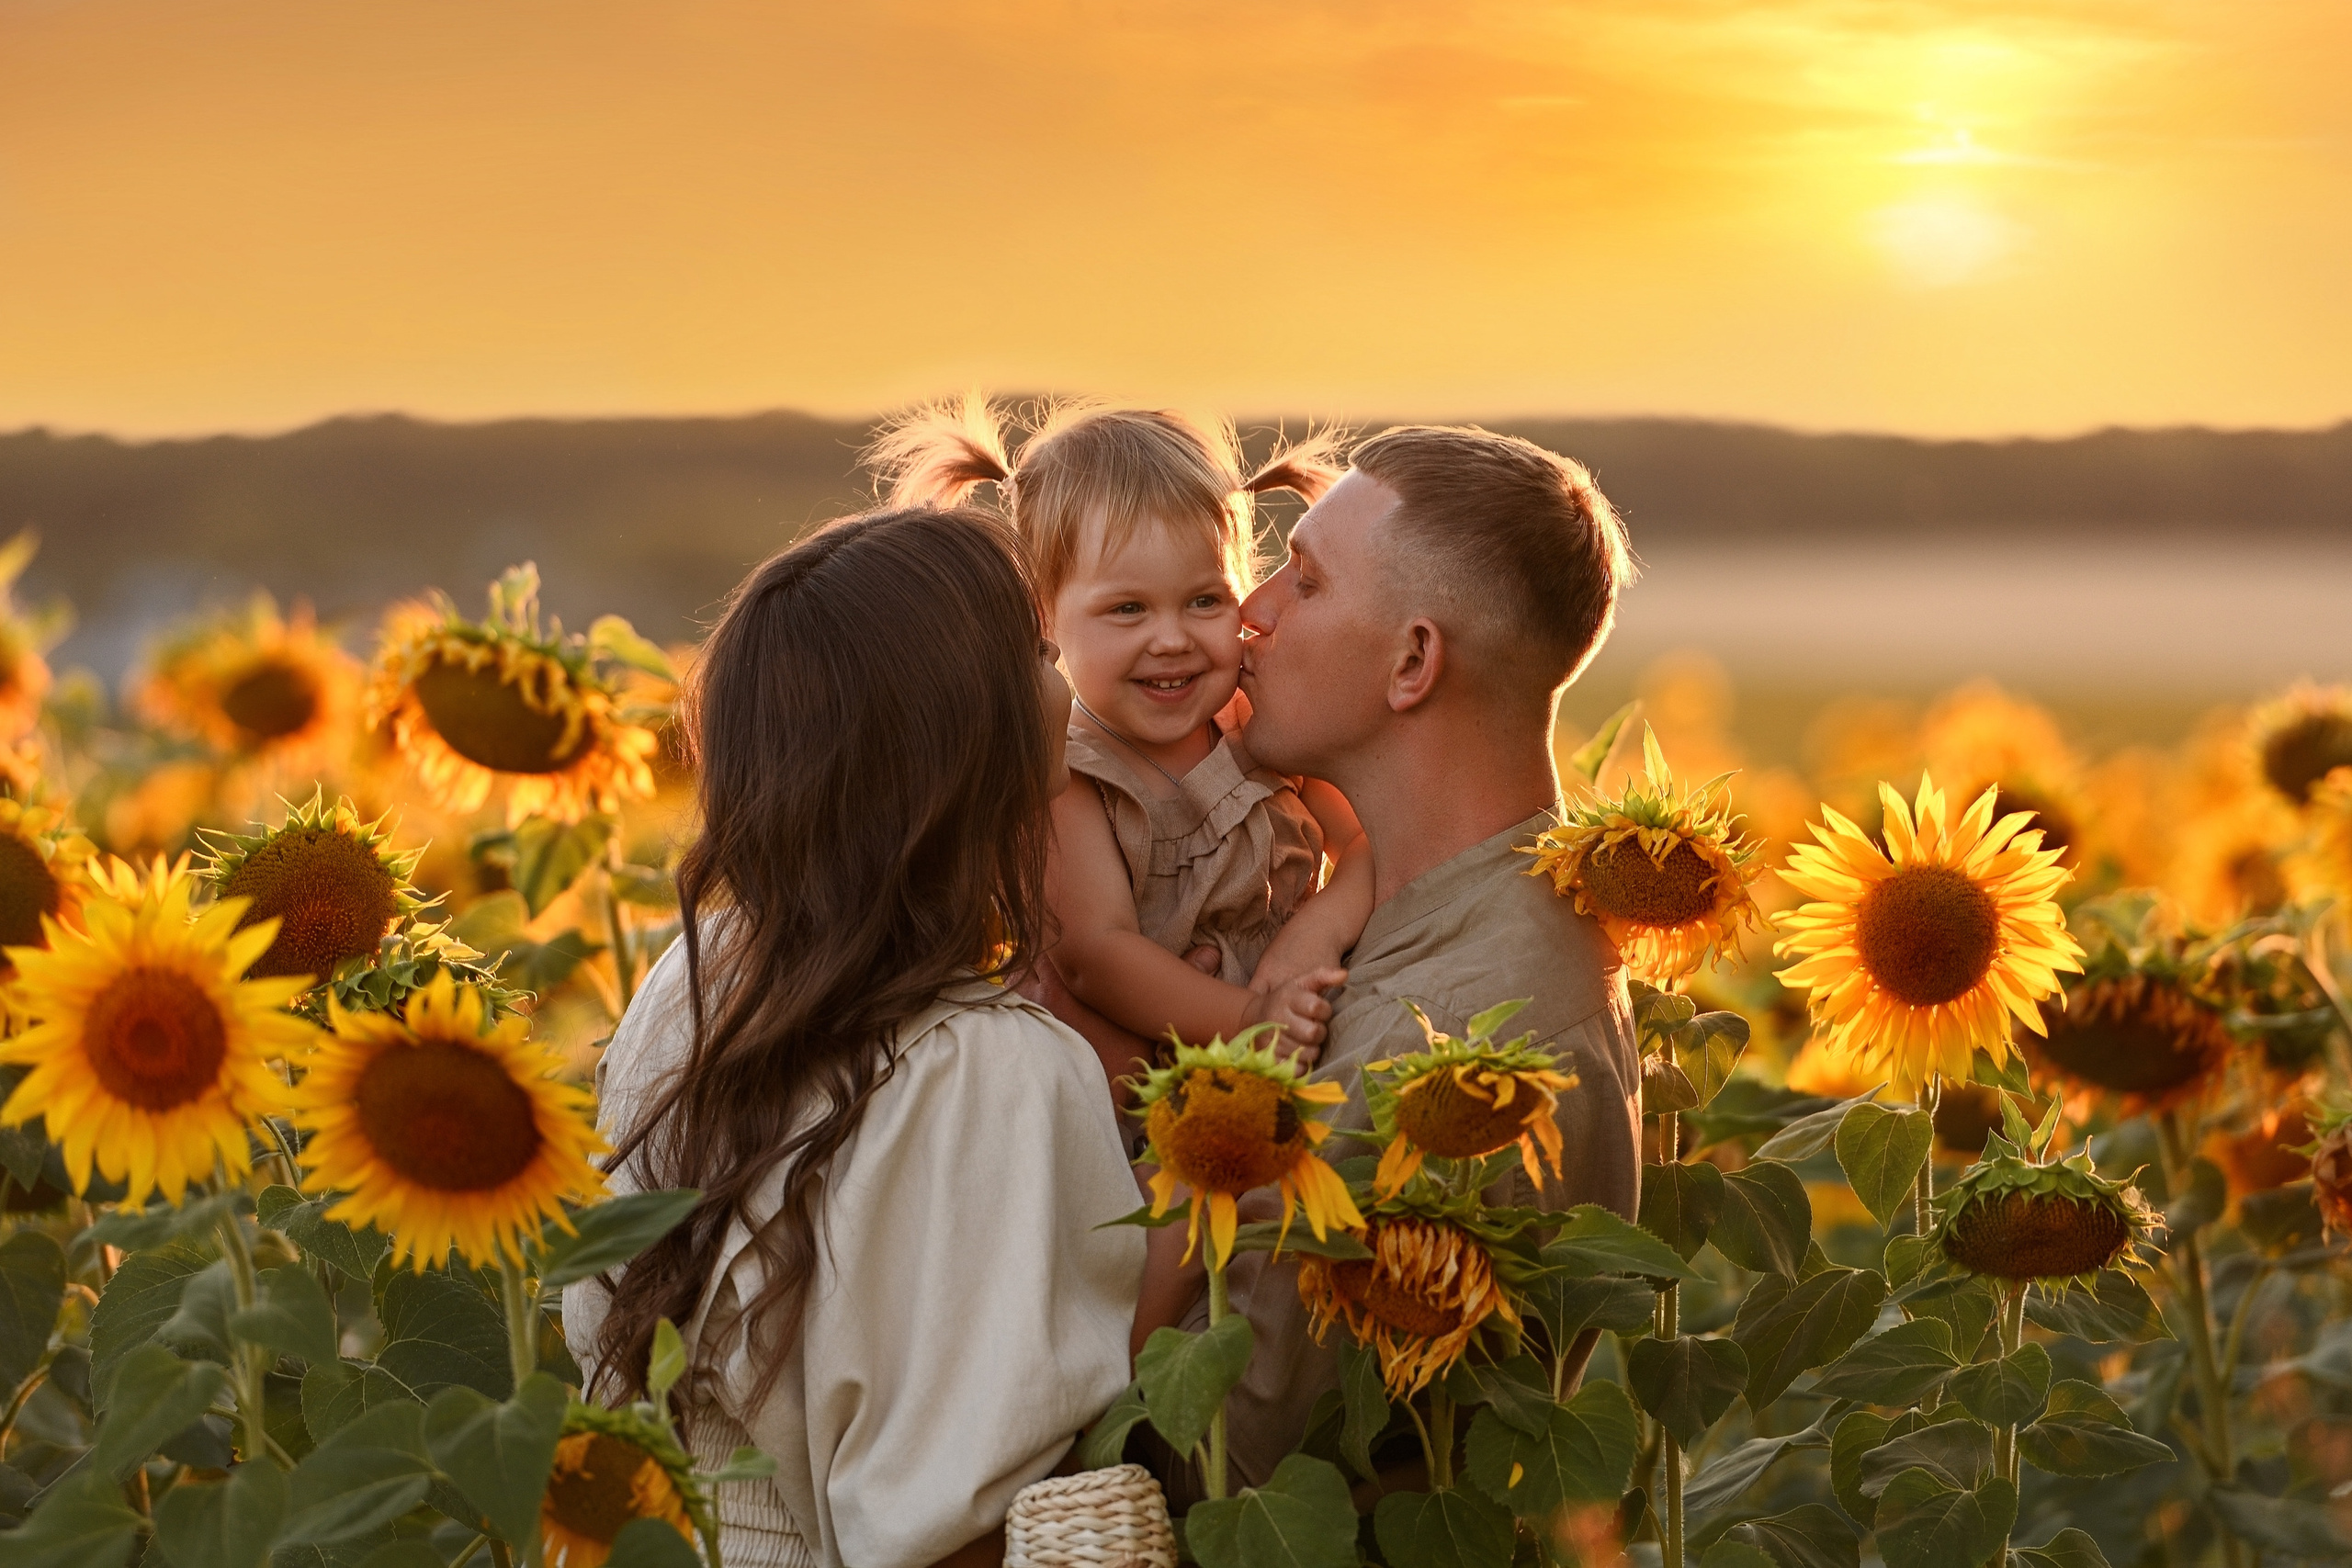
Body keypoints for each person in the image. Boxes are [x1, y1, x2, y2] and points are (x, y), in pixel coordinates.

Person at [564, 506, 1144, 1568]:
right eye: (1036, 651)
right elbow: (954, 1531)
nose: (1064, 676)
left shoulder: (701, 973)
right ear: (965, 729)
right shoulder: (994, 1070)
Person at [1211, 423, 1645, 1485]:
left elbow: (1224, 1456)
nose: (1250, 612)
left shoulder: (1438, 1062)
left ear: (1412, 662)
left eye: (1304, 581)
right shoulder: (1506, 905)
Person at [873, 399, 1375, 1094]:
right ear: (1043, 615)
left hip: (1298, 1041)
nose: (1170, 639)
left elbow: (1368, 841)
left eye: (1204, 600)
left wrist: (1315, 932)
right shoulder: (1067, 776)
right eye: (1128, 609)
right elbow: (1096, 956)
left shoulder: (1262, 726)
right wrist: (1251, 1018)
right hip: (1142, 1099)